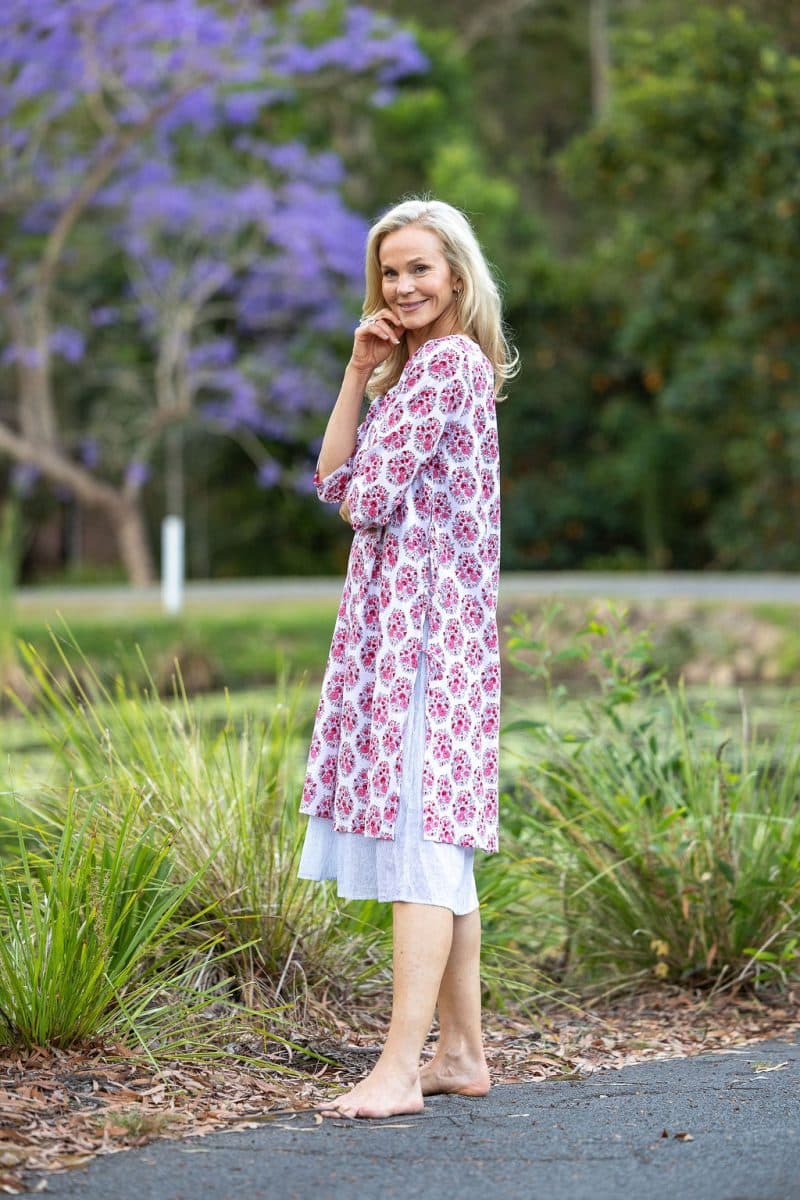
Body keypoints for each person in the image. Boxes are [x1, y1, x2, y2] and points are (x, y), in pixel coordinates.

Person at [298, 197, 517, 1119]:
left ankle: (397, 1069)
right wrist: (357, 374)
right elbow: (331, 478)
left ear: (457, 278)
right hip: (407, 634)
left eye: (421, 268)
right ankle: (461, 1054)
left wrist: (366, 442)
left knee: (422, 845)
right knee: (438, 850)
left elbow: (364, 499)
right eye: (391, 272)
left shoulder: (450, 366)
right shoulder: (410, 374)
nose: (403, 285)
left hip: (426, 637)